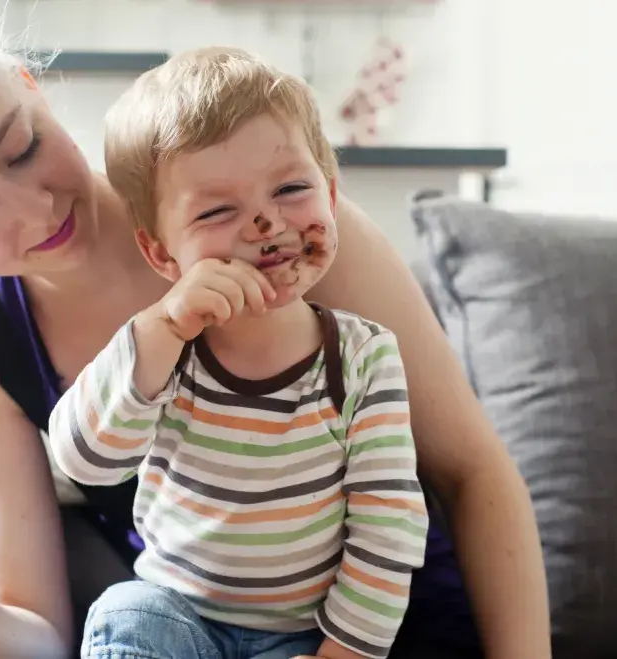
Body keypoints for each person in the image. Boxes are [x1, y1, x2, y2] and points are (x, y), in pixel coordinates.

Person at [0, 9, 551, 659]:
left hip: (392, 630)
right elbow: (41, 632)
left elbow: (473, 470)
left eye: (23, 146)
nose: (33, 210)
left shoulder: (281, 222)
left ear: (32, 88)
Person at [46, 46, 428, 659]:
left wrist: (342, 653)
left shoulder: (362, 357)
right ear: (163, 256)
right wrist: (164, 328)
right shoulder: (162, 349)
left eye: (292, 188)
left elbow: (388, 526)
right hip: (177, 616)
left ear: (330, 195)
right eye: (220, 210)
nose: (264, 222)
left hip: (305, 634)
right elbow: (83, 462)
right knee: (123, 610)